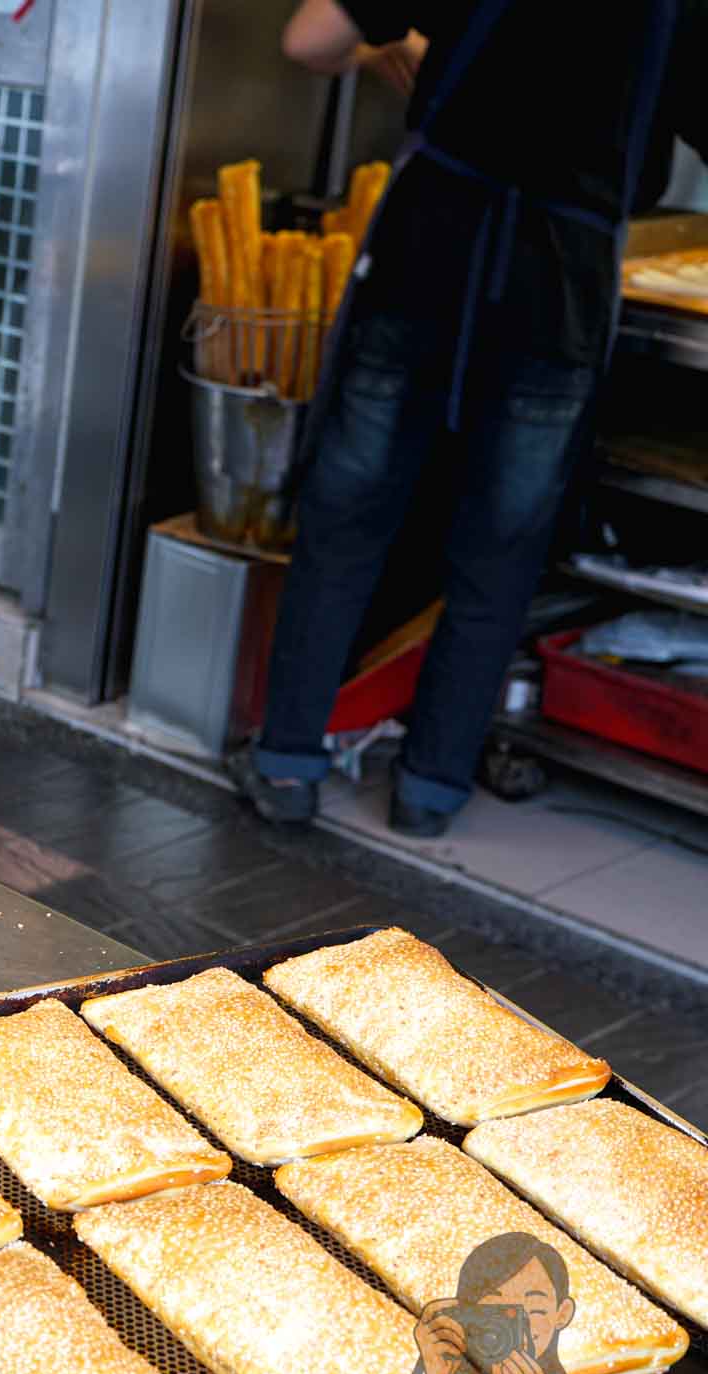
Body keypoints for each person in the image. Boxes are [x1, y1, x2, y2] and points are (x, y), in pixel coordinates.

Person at [229, 0, 708, 837]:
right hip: (560, 289)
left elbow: (309, 41)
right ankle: (431, 787)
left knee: (349, 511)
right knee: (503, 543)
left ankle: (287, 764)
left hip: (427, 253)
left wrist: (383, 51)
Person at [390, 1231, 603, 1374]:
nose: (516, 1328)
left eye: (535, 1310)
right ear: (466, 1313)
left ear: (562, 1314)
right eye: (496, 1312)